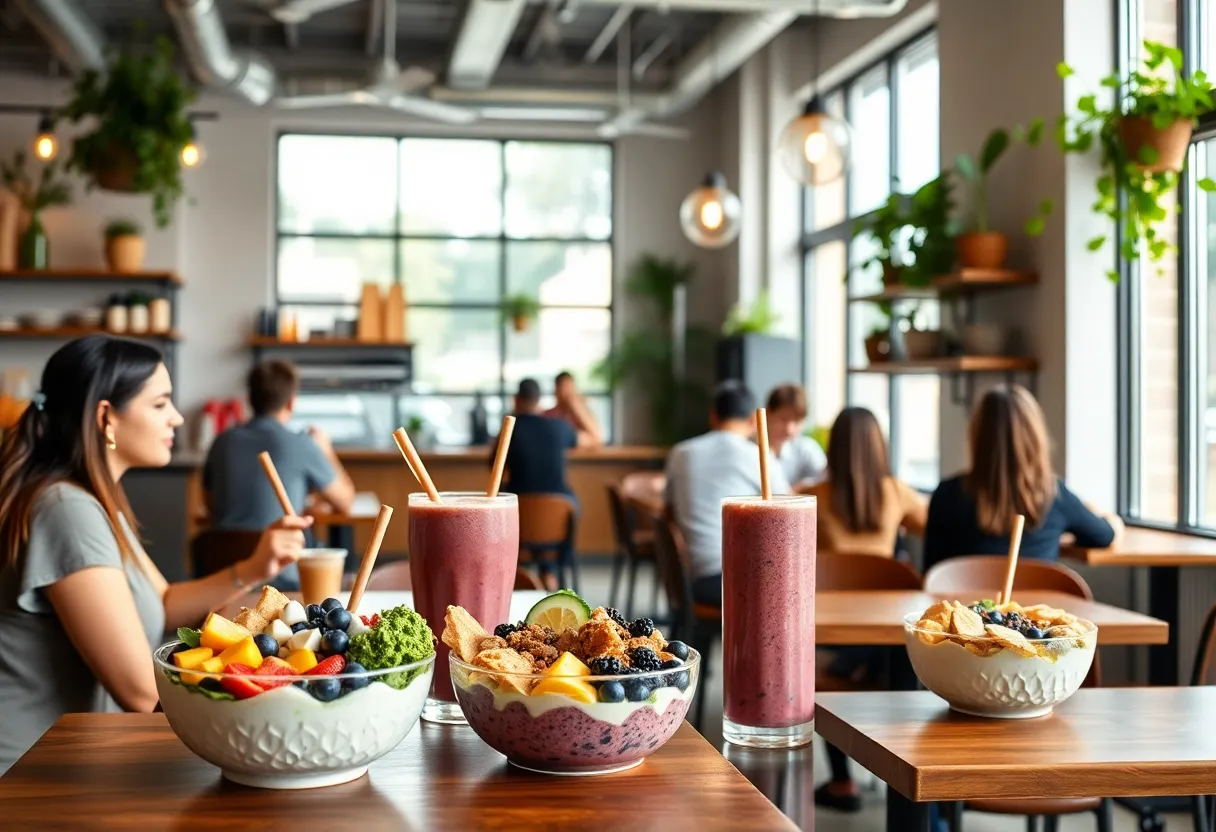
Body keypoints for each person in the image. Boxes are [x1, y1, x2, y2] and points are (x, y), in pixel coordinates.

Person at [0, 335, 310, 774]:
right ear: (107, 418)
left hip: (76, 759)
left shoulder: (90, 499)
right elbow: (143, 692)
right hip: (32, 777)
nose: (178, 418)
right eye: (161, 403)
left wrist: (254, 567)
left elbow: (163, 605)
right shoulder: (67, 510)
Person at [804, 406, 927, 814]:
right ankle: (905, 770)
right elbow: (931, 521)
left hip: (838, 632)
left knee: (822, 678)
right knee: (903, 660)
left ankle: (842, 781)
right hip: (890, 636)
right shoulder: (897, 491)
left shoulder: (813, 496)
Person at [924, 384, 1122, 571]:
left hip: (964, 607)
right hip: (1029, 608)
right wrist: (1109, 519)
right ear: (1035, 438)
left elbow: (932, 571)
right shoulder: (1055, 495)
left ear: (976, 436)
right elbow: (1105, 535)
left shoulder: (946, 495)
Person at [203, 360, 355, 587]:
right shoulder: (301, 444)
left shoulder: (222, 441)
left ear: (250, 399)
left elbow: (210, 504)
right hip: (281, 576)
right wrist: (326, 450)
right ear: (291, 401)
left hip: (221, 574)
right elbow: (345, 501)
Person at [664, 382, 790, 606]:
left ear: (713, 416)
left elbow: (668, 510)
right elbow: (787, 513)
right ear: (753, 419)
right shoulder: (759, 457)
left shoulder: (680, 453)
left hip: (692, 577)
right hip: (737, 579)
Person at [805, 407, 927, 556]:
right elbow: (937, 527)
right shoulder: (896, 491)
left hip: (827, 579)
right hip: (883, 579)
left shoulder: (810, 497)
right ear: (878, 446)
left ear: (834, 446)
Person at [502, 378, 583, 590]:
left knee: (505, 499)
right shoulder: (559, 427)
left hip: (520, 524)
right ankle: (551, 571)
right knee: (569, 503)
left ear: (517, 400)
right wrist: (573, 403)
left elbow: (495, 467)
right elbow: (596, 437)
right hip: (558, 526)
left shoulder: (511, 429)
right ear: (540, 401)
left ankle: (524, 576)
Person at [765, 384, 827, 488]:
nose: (789, 429)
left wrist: (803, 487)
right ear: (767, 414)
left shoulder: (805, 447)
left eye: (797, 421)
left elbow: (825, 478)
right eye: (783, 419)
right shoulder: (749, 449)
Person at [543, 371, 604, 447]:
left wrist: (576, 405)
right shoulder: (548, 415)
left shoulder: (579, 412)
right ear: (556, 390)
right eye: (564, 387)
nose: (568, 393)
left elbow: (598, 438)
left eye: (570, 388)